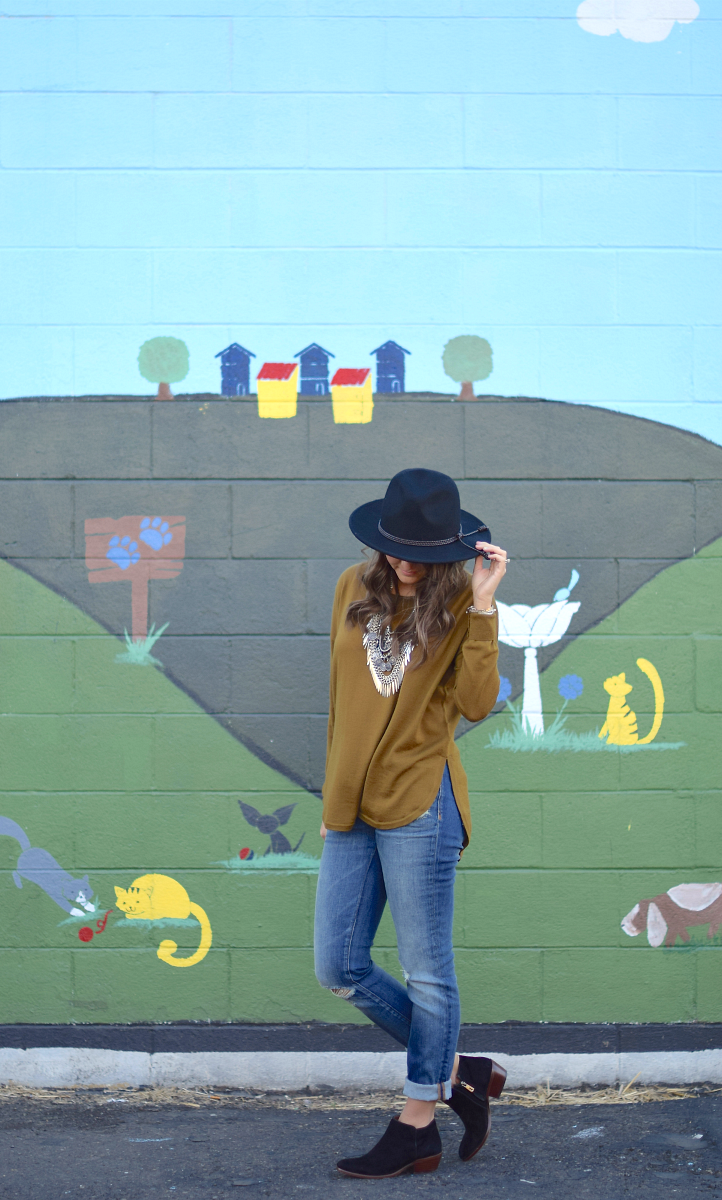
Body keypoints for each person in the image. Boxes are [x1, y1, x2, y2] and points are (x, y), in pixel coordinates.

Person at [314, 467, 509, 1180]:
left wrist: (484, 607)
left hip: (422, 801)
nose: (405, 565)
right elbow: (341, 700)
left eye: (422, 555)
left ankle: (417, 1122)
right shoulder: (351, 587)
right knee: (338, 966)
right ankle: (460, 1072)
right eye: (396, 549)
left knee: (427, 972)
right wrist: (334, 802)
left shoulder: (460, 603)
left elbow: (478, 703)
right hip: (354, 805)